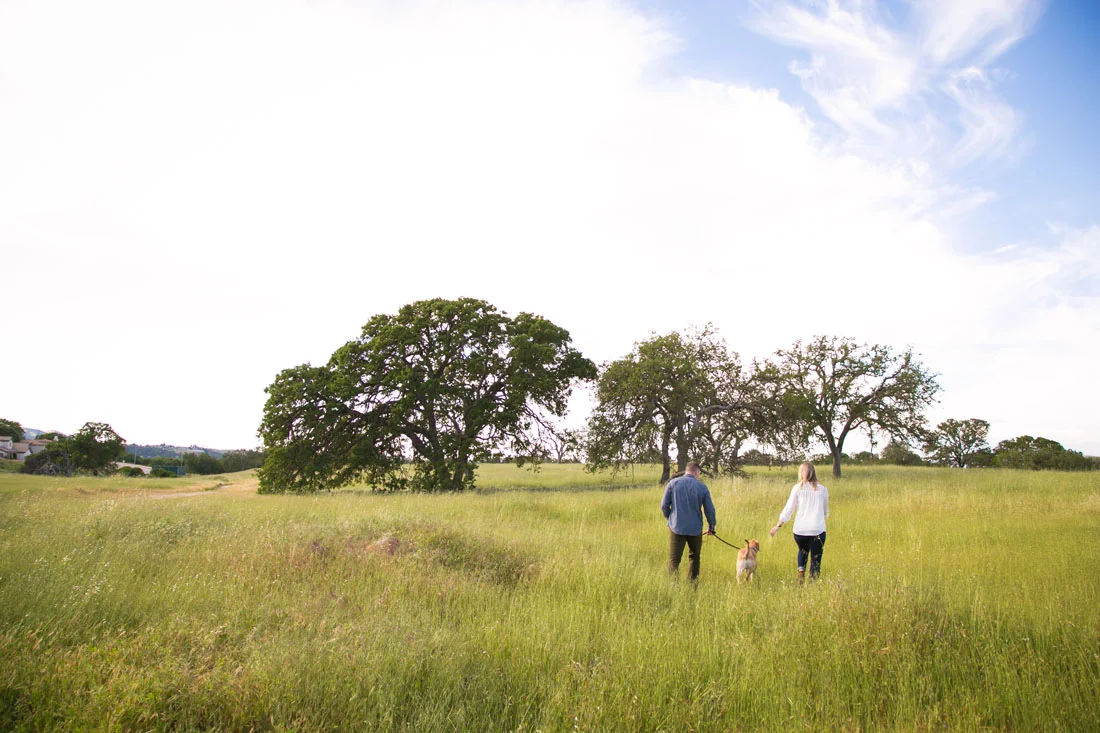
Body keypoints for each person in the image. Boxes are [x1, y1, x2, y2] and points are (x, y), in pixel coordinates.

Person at [769, 462, 829, 584]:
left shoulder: (797, 488)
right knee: (816, 557)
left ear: (801, 473)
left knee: (802, 550)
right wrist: (822, 516)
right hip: (817, 529)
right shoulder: (823, 489)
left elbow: (789, 508)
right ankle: (812, 583)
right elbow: (825, 510)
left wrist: (778, 525)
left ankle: (801, 572)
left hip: (800, 530)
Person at [660, 461, 716, 582]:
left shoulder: (673, 483)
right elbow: (709, 509)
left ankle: (673, 586)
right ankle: (692, 586)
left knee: (674, 560)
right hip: (695, 529)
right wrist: (711, 526)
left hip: (676, 527)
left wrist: (670, 518)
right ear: (696, 472)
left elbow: (664, 505)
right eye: (699, 474)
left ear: (686, 471)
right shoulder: (702, 487)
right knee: (695, 558)